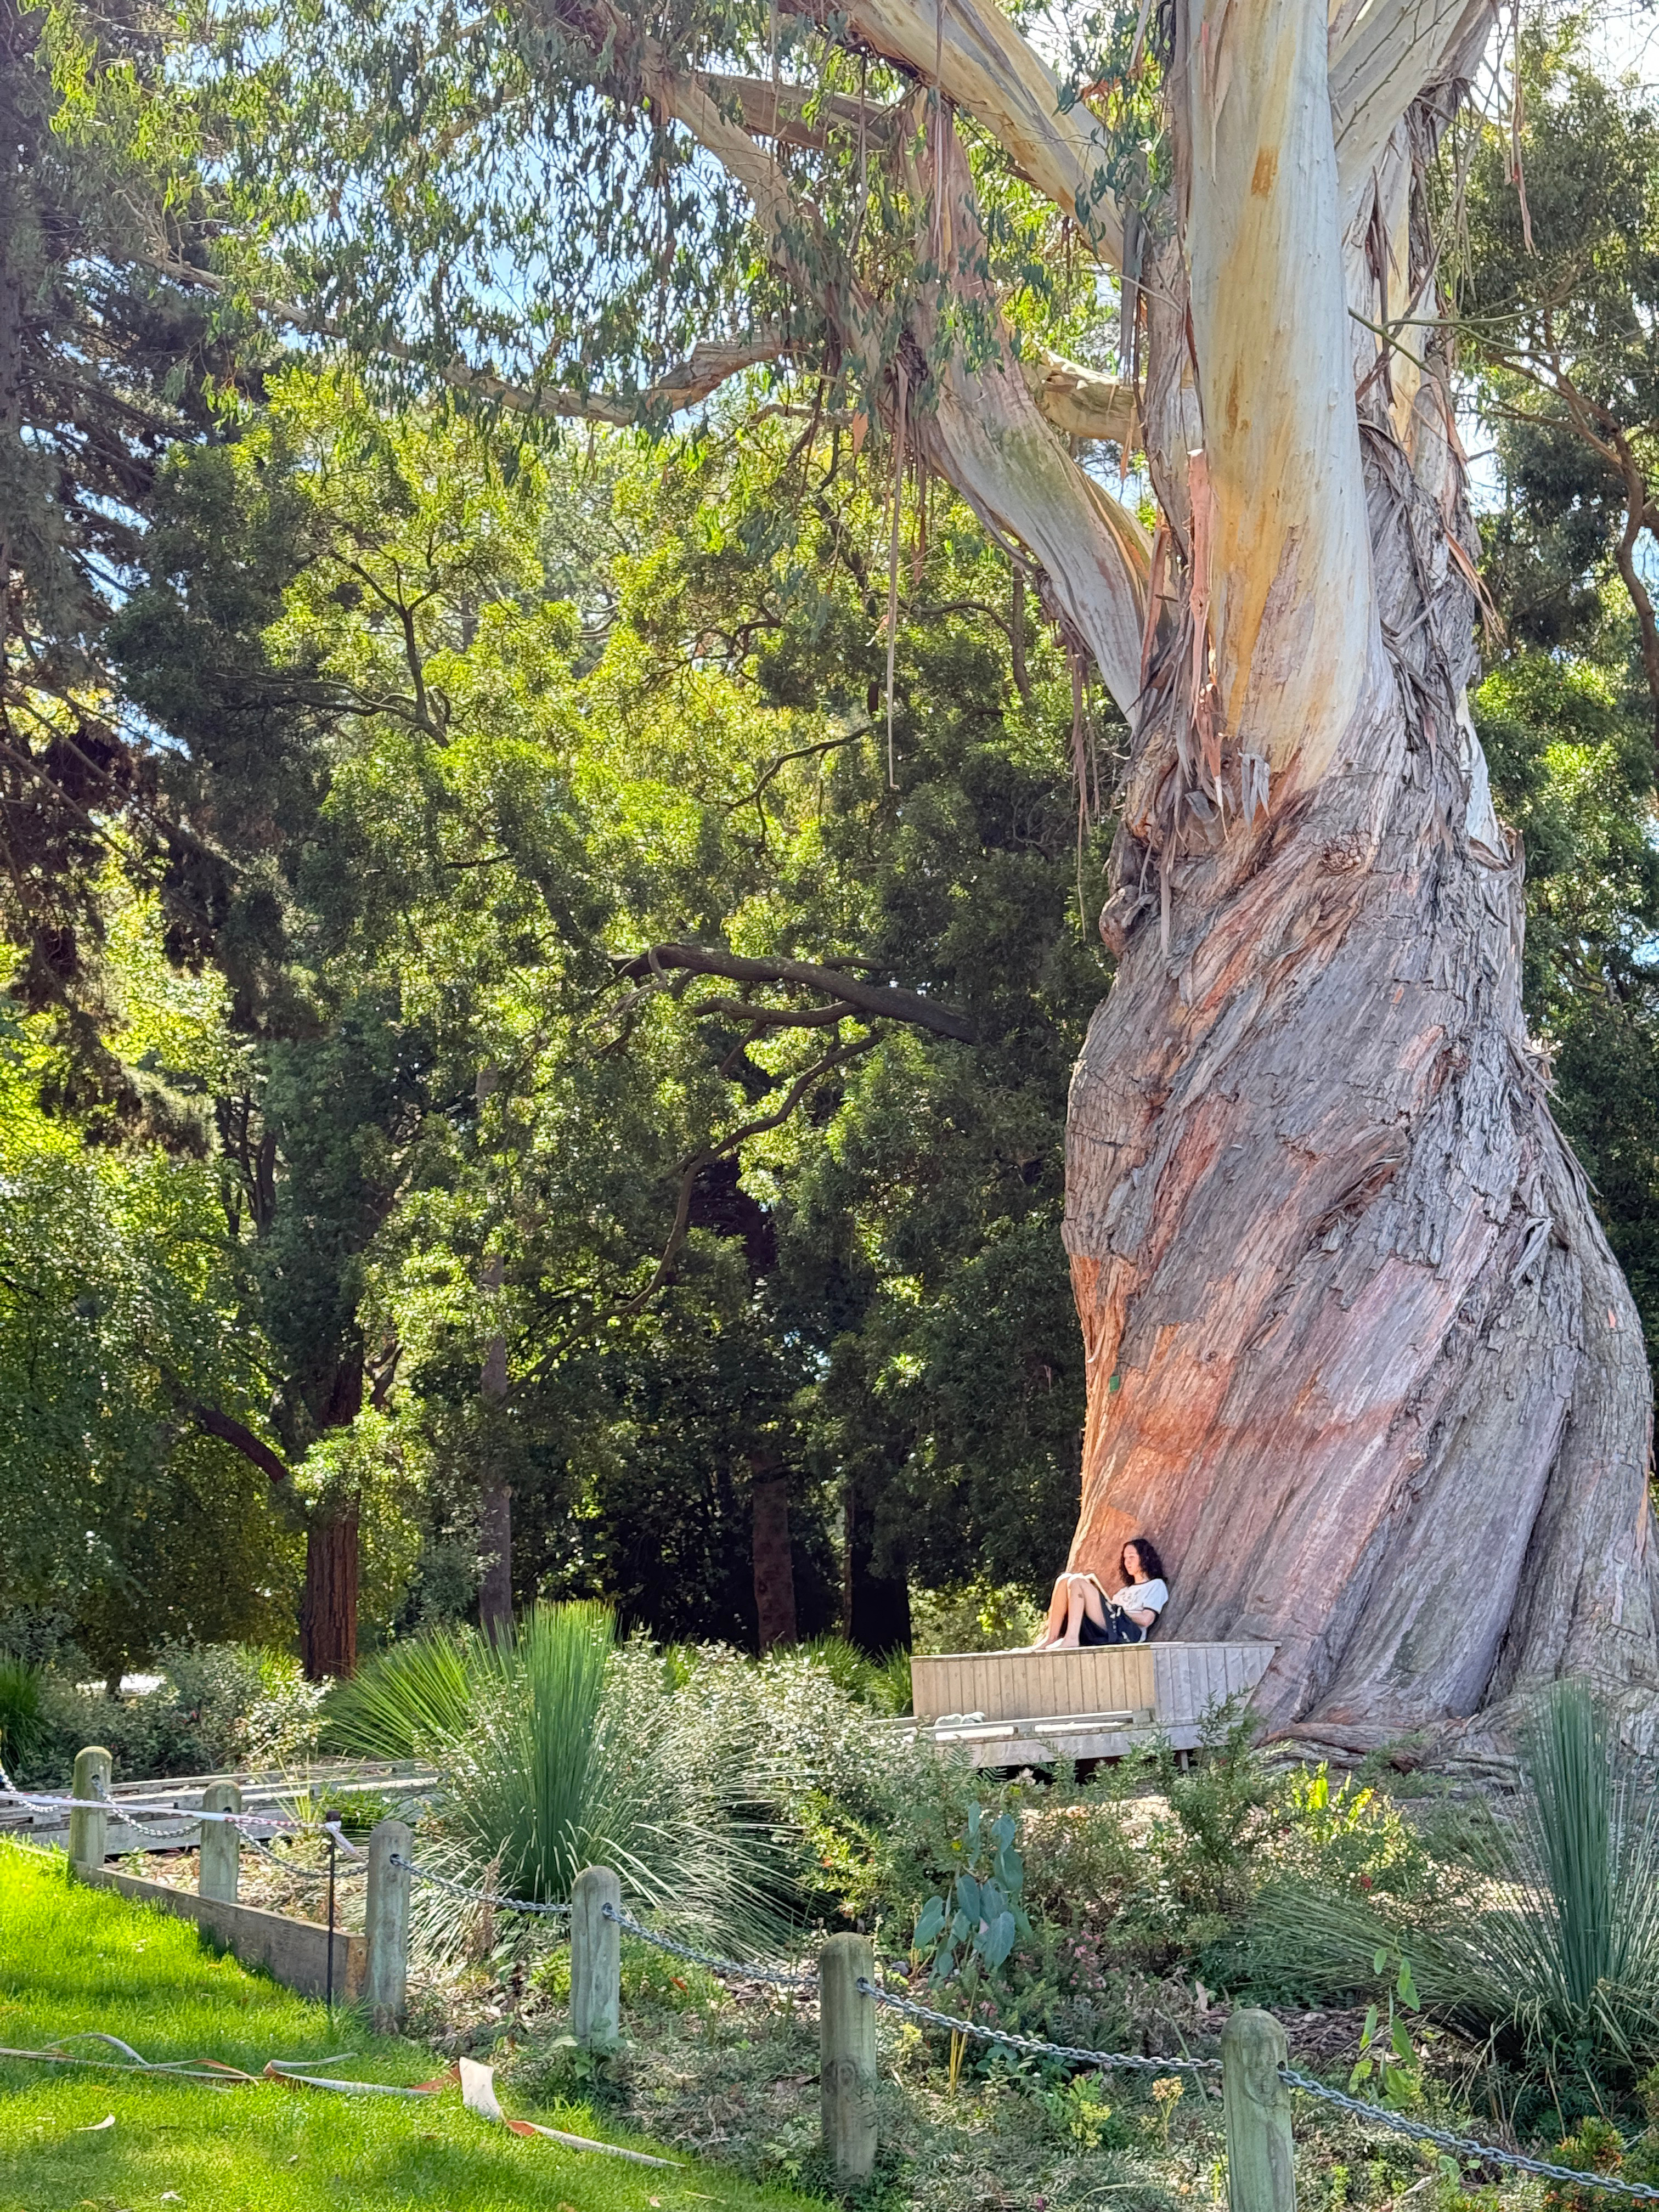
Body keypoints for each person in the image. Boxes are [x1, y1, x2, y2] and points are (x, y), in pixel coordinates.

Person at [1030, 1538, 1170, 1650]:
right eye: (1125, 1558)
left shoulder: (1156, 1585)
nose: (1127, 1562)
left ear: (1145, 1558)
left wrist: (1119, 1611)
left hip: (1129, 1633)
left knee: (1077, 1582)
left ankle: (1072, 1639)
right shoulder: (1124, 1591)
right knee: (1064, 1579)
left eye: (1132, 1557)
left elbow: (1146, 1619)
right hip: (1110, 1625)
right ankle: (1051, 1637)